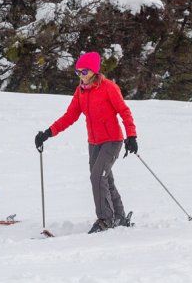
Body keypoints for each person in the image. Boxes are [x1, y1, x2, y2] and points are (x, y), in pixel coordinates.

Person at [34, 52, 138, 234]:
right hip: (94, 142)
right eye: (78, 72)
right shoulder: (81, 91)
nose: (81, 75)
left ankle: (105, 219)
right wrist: (48, 133)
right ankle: (119, 215)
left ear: (94, 71)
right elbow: (70, 116)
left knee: (98, 176)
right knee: (105, 178)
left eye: (84, 71)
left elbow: (124, 111)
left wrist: (132, 136)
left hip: (112, 141)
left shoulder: (109, 88)